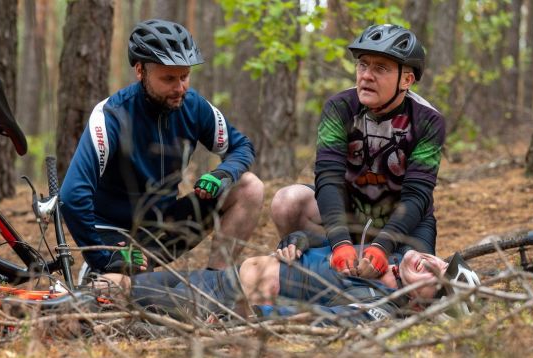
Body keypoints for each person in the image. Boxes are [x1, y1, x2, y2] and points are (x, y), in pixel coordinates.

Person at [60, 19, 264, 275]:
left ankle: (215, 284)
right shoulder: (110, 116)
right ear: (140, 71)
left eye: (185, 76)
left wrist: (224, 173)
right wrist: (103, 257)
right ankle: (100, 275)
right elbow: (71, 197)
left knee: (249, 187)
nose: (179, 88)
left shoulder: (194, 106)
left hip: (163, 226)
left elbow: (241, 146)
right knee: (126, 297)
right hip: (114, 235)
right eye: (168, 78)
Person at [270, 24, 446, 279]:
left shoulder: (428, 120)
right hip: (349, 213)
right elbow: (328, 178)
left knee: (417, 284)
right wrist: (340, 242)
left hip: (405, 223)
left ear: (407, 79)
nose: (366, 75)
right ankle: (303, 268)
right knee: (287, 201)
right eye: (363, 65)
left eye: (380, 68)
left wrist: (382, 246)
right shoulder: (339, 107)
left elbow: (417, 196)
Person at [99, 241, 480, 325]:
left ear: (419, 305)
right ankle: (67, 298)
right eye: (440, 260)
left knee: (120, 294)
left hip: (222, 300)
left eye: (436, 276)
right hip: (220, 276)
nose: (429, 262)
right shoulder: (382, 253)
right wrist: (293, 241)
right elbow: (318, 241)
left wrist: (253, 315)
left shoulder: (375, 303)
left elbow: (319, 317)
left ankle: (61, 305)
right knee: (120, 283)